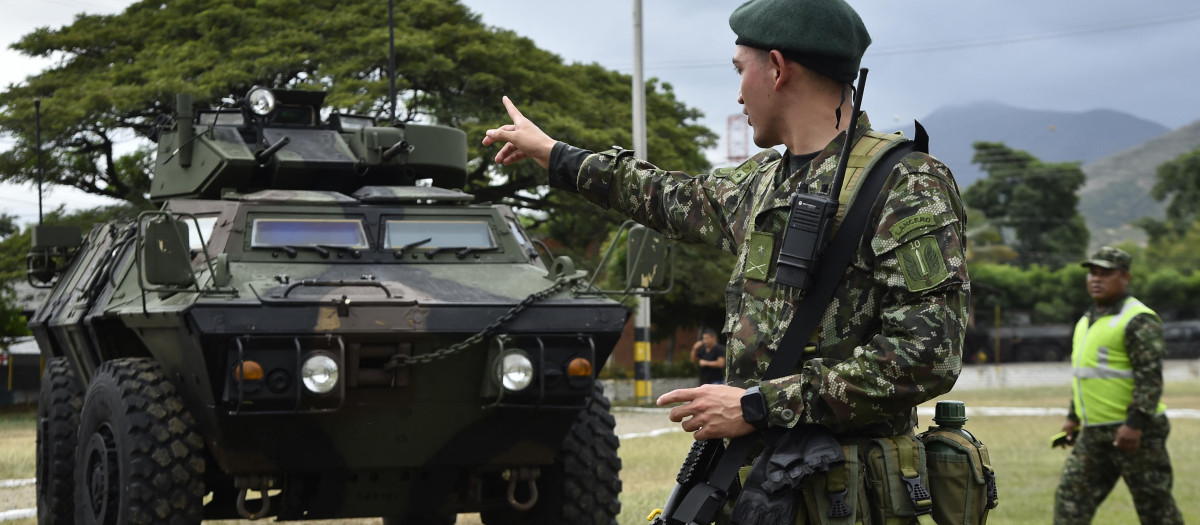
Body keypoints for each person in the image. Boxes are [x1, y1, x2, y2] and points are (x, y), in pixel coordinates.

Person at [484, 0, 968, 519]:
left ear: (778, 69)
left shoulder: (907, 183)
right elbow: (662, 194)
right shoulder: (764, 181)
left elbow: (926, 355)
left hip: (845, 497)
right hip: (760, 486)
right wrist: (555, 154)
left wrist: (760, 406)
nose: (738, 94)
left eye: (741, 70)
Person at [1053, 246, 1183, 524]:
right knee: (1070, 502)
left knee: (1156, 509)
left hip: (1135, 433)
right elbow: (1085, 376)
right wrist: (1073, 417)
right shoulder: (1086, 321)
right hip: (1094, 435)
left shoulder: (1138, 319)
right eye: (1092, 273)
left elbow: (1150, 376)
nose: (1096, 279)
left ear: (1125, 277)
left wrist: (1135, 424)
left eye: (1106, 273)